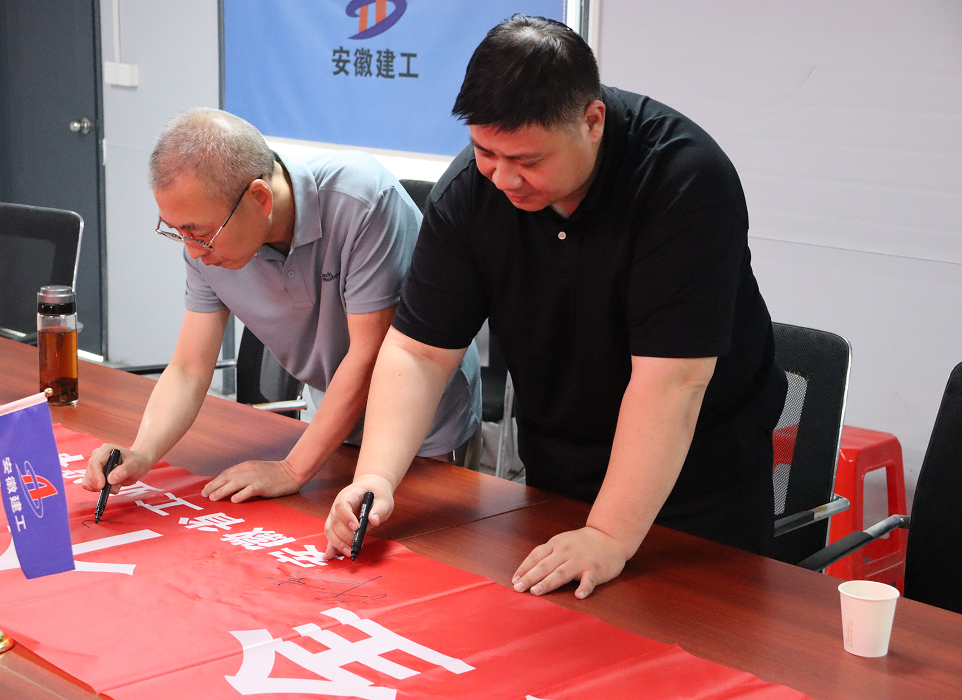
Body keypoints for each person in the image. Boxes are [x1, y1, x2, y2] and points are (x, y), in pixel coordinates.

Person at [324, 16, 787, 599]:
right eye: (485, 151)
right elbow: (419, 353)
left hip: (694, 488)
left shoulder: (682, 181)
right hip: (556, 478)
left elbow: (672, 384)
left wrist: (609, 534)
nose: (504, 178)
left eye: (527, 159)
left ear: (592, 121)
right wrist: (375, 475)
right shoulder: (471, 192)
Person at [81, 108, 481, 502]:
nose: (193, 251)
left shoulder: (360, 199)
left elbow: (368, 356)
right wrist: (143, 452)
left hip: (420, 429)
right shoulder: (207, 244)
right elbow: (189, 367)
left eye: (198, 233)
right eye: (176, 231)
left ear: (259, 197)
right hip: (330, 428)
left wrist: (293, 469)